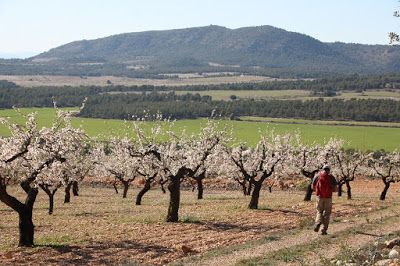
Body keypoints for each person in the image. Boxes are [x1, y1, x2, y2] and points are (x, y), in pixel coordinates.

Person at [312, 164, 337, 235]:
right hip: (328, 197)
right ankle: (324, 230)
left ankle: (318, 222)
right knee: (327, 213)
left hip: (319, 197)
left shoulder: (317, 176)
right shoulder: (331, 177)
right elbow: (335, 188)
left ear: (323, 169)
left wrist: (318, 191)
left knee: (319, 211)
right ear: (329, 170)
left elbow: (312, 187)